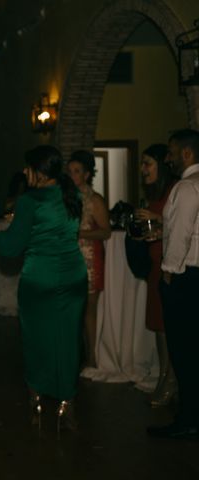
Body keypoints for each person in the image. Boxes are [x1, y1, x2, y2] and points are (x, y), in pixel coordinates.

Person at [0, 145, 87, 432]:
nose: (24, 173)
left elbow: (12, 246)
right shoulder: (72, 194)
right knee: (68, 341)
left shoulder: (29, 201)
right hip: (74, 277)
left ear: (38, 171)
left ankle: (36, 399)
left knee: (37, 341)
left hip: (40, 279)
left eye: (27, 168)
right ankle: (67, 404)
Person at [148, 129, 199, 440]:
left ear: (187, 154)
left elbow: (180, 234)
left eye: (171, 152)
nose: (167, 158)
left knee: (184, 352)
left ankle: (188, 419)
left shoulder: (186, 187)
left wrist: (168, 272)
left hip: (187, 277)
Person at [133, 144, 177, 407]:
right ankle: (163, 376)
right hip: (155, 267)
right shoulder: (156, 193)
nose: (143, 169)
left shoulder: (175, 191)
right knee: (158, 327)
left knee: (168, 327)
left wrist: (158, 220)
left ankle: (171, 381)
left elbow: (186, 225)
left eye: (147, 163)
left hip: (170, 268)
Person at [67, 151, 111, 371]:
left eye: (76, 171)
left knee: (89, 310)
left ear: (86, 175)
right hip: (68, 258)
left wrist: (80, 234)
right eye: (70, 171)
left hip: (90, 259)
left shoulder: (95, 200)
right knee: (71, 309)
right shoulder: (66, 199)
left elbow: (106, 232)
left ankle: (92, 358)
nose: (72, 175)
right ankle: (76, 354)